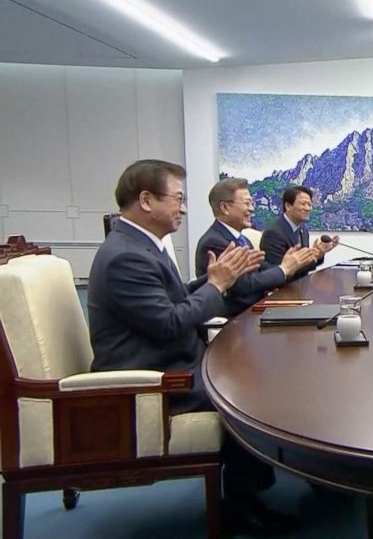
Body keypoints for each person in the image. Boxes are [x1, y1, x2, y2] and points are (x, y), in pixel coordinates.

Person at [88, 160, 299, 536]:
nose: (184, 208)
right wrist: (217, 286)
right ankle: (242, 504)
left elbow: (173, 299)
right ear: (147, 200)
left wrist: (217, 277)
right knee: (247, 391)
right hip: (153, 376)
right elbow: (170, 324)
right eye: (178, 199)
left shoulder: (139, 244)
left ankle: (254, 486)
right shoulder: (126, 256)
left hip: (170, 359)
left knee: (253, 374)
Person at [195, 178, 318, 316]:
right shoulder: (214, 242)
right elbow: (244, 285)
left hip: (253, 310)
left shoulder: (242, 239)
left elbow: (261, 267)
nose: (252, 209)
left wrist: (290, 265)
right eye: (247, 203)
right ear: (225, 208)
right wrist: (284, 269)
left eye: (252, 203)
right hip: (235, 319)